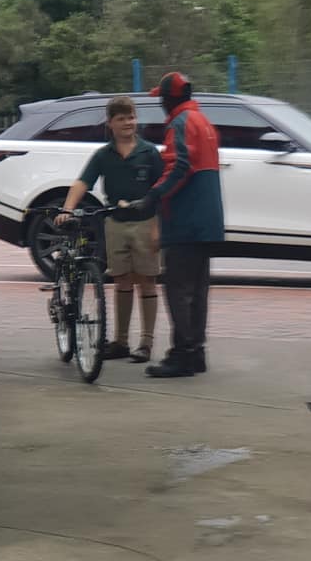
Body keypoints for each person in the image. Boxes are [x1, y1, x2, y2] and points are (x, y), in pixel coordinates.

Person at [124, 72, 224, 378]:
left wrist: (153, 196)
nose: (162, 105)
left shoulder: (180, 123)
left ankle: (181, 354)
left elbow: (180, 165)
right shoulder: (203, 122)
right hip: (207, 220)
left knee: (178, 288)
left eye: (162, 99)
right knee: (197, 289)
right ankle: (196, 352)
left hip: (186, 219)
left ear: (170, 99)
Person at [57, 95, 163, 362]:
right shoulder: (103, 155)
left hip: (145, 222)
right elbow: (82, 183)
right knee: (122, 279)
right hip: (115, 223)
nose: (128, 123)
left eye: (131, 117)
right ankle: (121, 341)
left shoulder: (149, 152)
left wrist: (159, 226)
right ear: (110, 123)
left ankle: (146, 343)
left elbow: (162, 190)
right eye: (122, 118)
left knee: (147, 279)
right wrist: (67, 208)